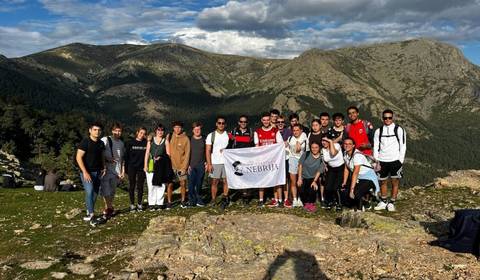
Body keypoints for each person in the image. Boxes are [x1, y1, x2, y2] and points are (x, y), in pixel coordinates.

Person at [373, 109, 407, 212]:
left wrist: (400, 160)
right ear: (382, 118)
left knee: (394, 182)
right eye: (385, 118)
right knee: (382, 182)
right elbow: (375, 146)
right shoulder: (378, 131)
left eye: (389, 117)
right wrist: (376, 160)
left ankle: (392, 202)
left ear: (393, 118)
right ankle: (383, 201)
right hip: (382, 160)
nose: (387, 119)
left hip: (395, 160)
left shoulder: (399, 129)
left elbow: (403, 145)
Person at [76, 122, 106, 221]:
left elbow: (102, 156)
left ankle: (90, 211)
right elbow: (78, 157)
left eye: (99, 130)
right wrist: (85, 172)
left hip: (98, 171)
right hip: (87, 172)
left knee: (95, 192)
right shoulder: (85, 142)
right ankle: (91, 214)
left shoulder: (101, 143)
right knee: (89, 191)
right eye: (95, 130)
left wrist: (104, 167)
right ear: (90, 130)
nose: (97, 132)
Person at [254, 112, 283, 207]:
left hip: (274, 160)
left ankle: (279, 200)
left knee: (277, 179)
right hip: (262, 160)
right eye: (264, 120)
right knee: (261, 179)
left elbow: (280, 144)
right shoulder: (257, 132)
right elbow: (256, 146)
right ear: (261, 121)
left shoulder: (275, 131)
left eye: (268, 120)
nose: (266, 122)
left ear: (270, 120)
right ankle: (261, 200)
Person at [342, 138, 379, 211]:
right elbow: (346, 168)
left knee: (355, 193)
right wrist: (344, 182)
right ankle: (365, 203)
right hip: (359, 178)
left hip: (368, 177)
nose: (347, 145)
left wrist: (352, 190)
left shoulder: (357, 156)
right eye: (345, 144)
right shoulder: (345, 154)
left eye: (349, 144)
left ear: (353, 146)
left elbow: (355, 173)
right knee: (346, 190)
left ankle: (360, 209)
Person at [227, 115, 255, 205]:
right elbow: (228, 142)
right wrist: (224, 150)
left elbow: (251, 142)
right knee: (238, 175)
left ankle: (246, 195)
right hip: (236, 158)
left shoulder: (251, 131)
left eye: (245, 122)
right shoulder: (234, 131)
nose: (243, 123)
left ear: (247, 123)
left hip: (247, 157)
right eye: (241, 121)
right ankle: (241, 194)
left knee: (247, 175)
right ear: (238, 122)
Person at [100, 122, 125, 218]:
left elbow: (122, 159)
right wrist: (107, 159)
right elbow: (100, 153)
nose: (118, 133)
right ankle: (109, 208)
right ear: (112, 130)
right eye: (116, 130)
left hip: (117, 171)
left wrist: (122, 171)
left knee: (113, 191)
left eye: (119, 131)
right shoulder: (105, 140)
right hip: (106, 169)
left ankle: (108, 208)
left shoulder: (121, 143)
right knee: (106, 190)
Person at [206, 116, 230, 208]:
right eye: (219, 123)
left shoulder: (228, 135)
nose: (221, 125)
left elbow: (232, 147)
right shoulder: (211, 135)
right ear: (216, 124)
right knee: (215, 181)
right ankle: (213, 199)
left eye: (223, 123)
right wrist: (209, 163)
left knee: (226, 181)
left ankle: (225, 197)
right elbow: (208, 150)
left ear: (225, 124)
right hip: (215, 161)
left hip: (226, 162)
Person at [144, 124, 169, 210]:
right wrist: (145, 165)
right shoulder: (150, 140)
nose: (160, 132)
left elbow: (168, 154)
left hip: (161, 166)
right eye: (158, 130)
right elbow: (147, 153)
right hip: (151, 165)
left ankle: (159, 203)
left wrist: (161, 157)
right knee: (151, 185)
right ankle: (151, 203)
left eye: (162, 130)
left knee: (161, 185)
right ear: (156, 131)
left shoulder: (165, 141)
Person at [168, 121, 191, 208]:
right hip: (171, 166)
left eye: (179, 127)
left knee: (183, 184)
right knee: (170, 184)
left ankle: (183, 200)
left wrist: (184, 167)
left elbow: (187, 154)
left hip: (181, 166)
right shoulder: (170, 137)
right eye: (175, 127)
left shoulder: (186, 139)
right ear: (173, 128)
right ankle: (169, 202)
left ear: (182, 128)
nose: (177, 129)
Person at [297, 142, 324, 212]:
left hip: (313, 177)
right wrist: (299, 178)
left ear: (319, 148)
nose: (314, 149)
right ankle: (306, 203)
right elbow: (300, 165)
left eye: (316, 147)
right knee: (301, 190)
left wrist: (315, 181)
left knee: (312, 189)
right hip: (303, 176)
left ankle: (311, 203)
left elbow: (319, 171)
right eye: (312, 147)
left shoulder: (322, 158)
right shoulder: (306, 154)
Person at [125, 127, 147, 212]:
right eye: (141, 133)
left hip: (141, 167)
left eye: (144, 133)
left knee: (140, 186)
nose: (142, 135)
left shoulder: (146, 143)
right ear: (137, 132)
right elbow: (126, 156)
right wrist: (125, 168)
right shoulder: (130, 142)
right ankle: (132, 204)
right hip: (132, 167)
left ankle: (139, 204)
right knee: (132, 185)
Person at [321, 137, 344, 211]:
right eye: (322, 140)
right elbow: (324, 159)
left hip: (340, 168)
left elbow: (333, 153)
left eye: (326, 140)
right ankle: (330, 202)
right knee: (328, 187)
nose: (324, 142)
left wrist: (331, 142)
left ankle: (339, 204)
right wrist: (325, 166)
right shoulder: (323, 150)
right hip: (331, 169)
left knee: (336, 188)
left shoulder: (336, 145)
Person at [287, 124, 308, 207]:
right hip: (292, 159)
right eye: (294, 130)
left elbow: (298, 149)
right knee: (293, 181)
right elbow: (289, 147)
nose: (295, 132)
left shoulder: (304, 136)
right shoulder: (290, 138)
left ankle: (300, 198)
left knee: (300, 182)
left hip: (302, 161)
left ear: (301, 130)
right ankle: (295, 199)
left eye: (297, 130)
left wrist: (298, 143)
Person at [188, 122, 206, 207]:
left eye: (199, 129)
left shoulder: (205, 139)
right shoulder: (189, 139)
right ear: (193, 130)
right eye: (195, 129)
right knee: (191, 184)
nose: (197, 131)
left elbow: (208, 151)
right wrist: (187, 165)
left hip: (201, 164)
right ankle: (192, 200)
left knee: (199, 183)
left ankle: (199, 199)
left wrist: (207, 162)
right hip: (191, 165)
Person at [277, 115, 292, 207]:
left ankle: (286, 198)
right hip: (276, 159)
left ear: (284, 123)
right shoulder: (274, 132)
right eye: (278, 122)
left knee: (285, 178)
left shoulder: (289, 131)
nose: (280, 124)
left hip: (286, 158)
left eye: (282, 122)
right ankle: (279, 199)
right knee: (277, 178)